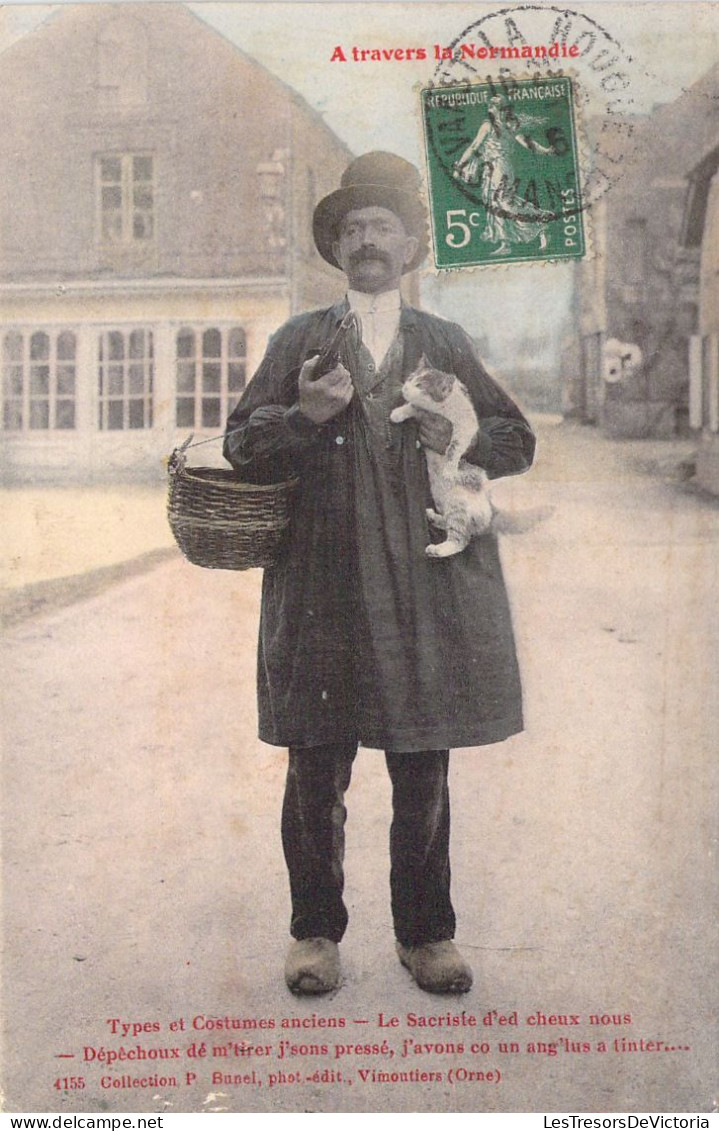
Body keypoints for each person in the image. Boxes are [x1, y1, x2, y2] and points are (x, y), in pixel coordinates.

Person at [223, 151, 536, 996]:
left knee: (422, 760)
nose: (367, 240)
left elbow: (517, 440)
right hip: (320, 582)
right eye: (352, 227)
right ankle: (315, 933)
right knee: (314, 765)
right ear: (336, 247)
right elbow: (242, 448)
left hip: (421, 585)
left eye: (382, 226)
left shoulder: (443, 342)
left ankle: (426, 933)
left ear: (411, 246)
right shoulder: (299, 340)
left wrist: (455, 441)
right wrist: (306, 414)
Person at [453, 95, 555, 255]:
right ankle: (510, 239)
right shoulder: (508, 125)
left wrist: (459, 166)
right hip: (496, 168)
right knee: (501, 203)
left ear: (494, 109)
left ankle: (538, 220)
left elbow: (474, 147)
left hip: (498, 168)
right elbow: (528, 143)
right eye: (494, 107)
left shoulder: (490, 126)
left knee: (502, 203)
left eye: (495, 107)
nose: (493, 110)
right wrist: (545, 150)